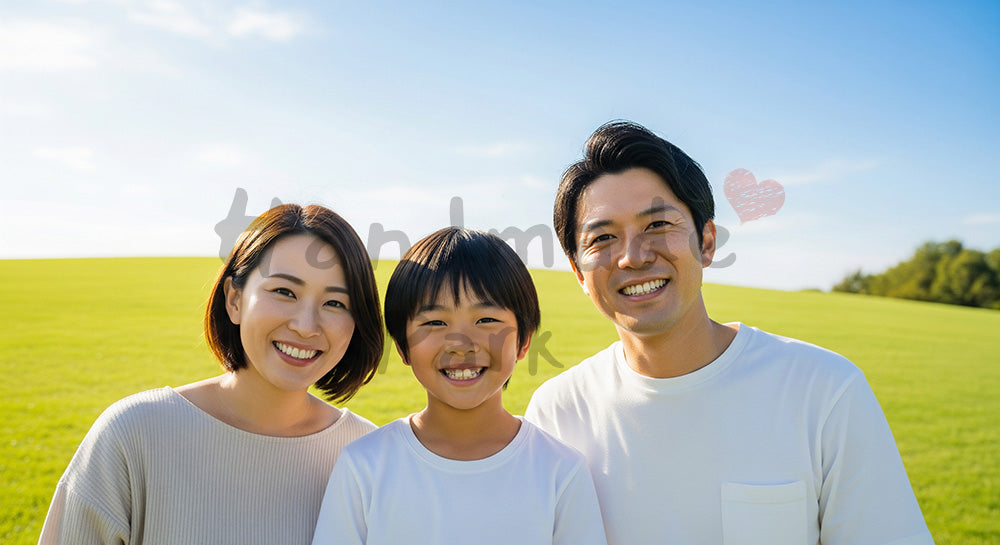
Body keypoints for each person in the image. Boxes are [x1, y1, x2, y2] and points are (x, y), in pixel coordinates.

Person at [524, 120, 934, 545]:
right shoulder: (556, 414)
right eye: (603, 237)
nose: (633, 256)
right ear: (577, 271)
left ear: (706, 243)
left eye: (658, 225)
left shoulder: (825, 392)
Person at [39, 204, 385, 545]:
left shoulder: (371, 455)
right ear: (234, 299)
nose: (306, 326)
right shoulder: (134, 435)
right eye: (284, 292)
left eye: (335, 303)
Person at [311, 227, 608, 545]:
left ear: (523, 341)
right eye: (435, 323)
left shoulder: (560, 471)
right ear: (402, 348)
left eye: (486, 320)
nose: (461, 345)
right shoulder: (364, 466)